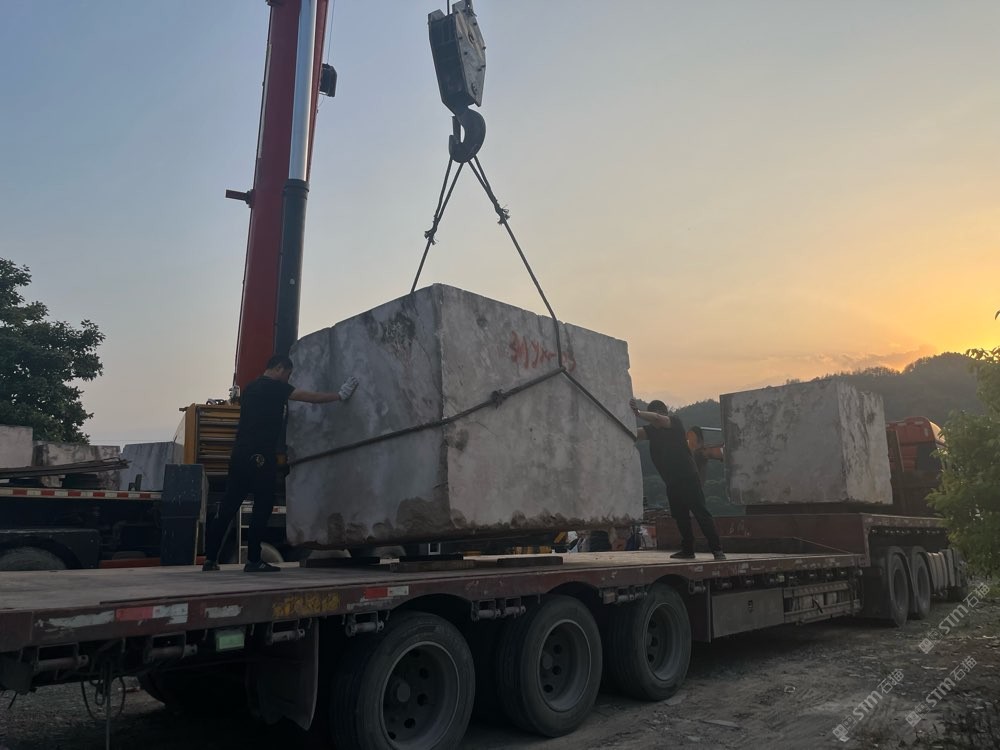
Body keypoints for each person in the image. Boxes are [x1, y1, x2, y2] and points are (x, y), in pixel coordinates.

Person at [203, 355, 359, 573]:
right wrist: (339, 395)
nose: (288, 379)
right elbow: (308, 397)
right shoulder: (275, 387)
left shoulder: (250, 388)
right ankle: (254, 560)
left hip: (239, 454)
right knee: (263, 506)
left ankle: (210, 559)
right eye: (288, 374)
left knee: (229, 505)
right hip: (260, 455)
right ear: (279, 368)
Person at [630, 398, 725, 560]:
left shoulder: (675, 423)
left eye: (655, 416)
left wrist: (638, 413)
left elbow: (658, 419)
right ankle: (688, 550)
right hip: (671, 481)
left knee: (701, 513)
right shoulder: (652, 431)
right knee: (680, 516)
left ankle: (717, 550)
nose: (654, 421)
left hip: (688, 477)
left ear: (663, 413)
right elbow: (633, 432)